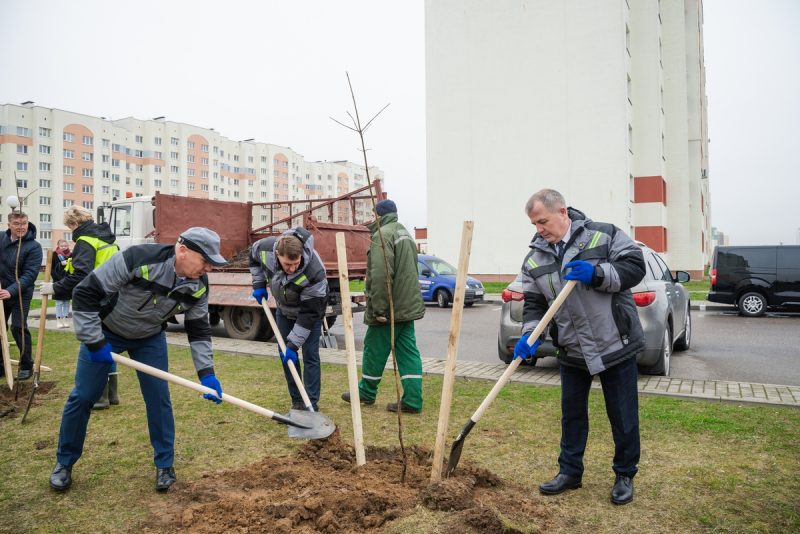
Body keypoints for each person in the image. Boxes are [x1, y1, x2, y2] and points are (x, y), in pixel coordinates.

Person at [49, 227, 227, 493]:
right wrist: (95, 342)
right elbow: (85, 292)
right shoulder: (137, 258)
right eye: (205, 261)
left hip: (149, 338)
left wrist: (207, 374)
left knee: (159, 399)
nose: (208, 269)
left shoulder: (198, 286)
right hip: (106, 332)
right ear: (183, 250)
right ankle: (64, 463)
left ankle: (165, 466)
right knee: (84, 396)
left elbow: (199, 330)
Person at [514, 189, 646, 505]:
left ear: (562, 212)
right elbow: (534, 303)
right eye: (534, 224)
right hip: (572, 349)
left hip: (613, 341)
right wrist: (529, 336)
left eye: (542, 221)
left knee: (623, 415)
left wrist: (598, 273)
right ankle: (570, 472)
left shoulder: (603, 235)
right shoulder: (535, 257)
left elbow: (635, 266)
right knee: (572, 415)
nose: (539, 229)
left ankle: (625, 474)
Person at [342, 199, 426, 414]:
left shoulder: (382, 235)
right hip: (407, 306)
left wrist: (379, 310)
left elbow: (380, 275)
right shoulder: (404, 233)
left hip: (389, 308)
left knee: (373, 349)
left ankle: (366, 392)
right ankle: (413, 399)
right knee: (408, 353)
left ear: (377, 215)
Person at [41, 206, 120, 409]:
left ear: (75, 223)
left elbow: (81, 275)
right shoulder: (105, 237)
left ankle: (99, 398)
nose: (70, 230)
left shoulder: (85, 240)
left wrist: (54, 288)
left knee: (93, 344)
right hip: (112, 297)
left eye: (69, 226)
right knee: (106, 345)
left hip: (94, 299)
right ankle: (111, 394)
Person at [249, 227, 328, 412]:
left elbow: (309, 313)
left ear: (301, 254)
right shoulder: (265, 248)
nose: (292, 269)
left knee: (310, 355)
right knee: (287, 359)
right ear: (277, 254)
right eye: (287, 264)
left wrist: (293, 345)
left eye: (296, 263)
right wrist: (258, 283)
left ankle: (311, 405)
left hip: (309, 313)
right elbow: (252, 257)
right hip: (283, 311)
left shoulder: (315, 272)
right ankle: (298, 401)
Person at [0, 211, 43, 381]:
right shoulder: (1, 239)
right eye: (17, 224)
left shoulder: (33, 246)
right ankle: (1, 365)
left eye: (24, 223)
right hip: (1, 293)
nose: (21, 227)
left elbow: (30, 275)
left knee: (18, 327)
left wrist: (10, 290)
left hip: (20, 294)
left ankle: (26, 365)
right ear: (9, 224)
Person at [51, 239, 72, 329]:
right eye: (62, 246)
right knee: (59, 302)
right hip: (58, 281)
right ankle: (59, 319)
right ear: (58, 246)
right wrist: (60, 265)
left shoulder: (71, 255)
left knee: (67, 302)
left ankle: (66, 319)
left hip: (68, 281)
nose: (64, 247)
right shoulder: (54, 254)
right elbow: (51, 268)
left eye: (65, 246)